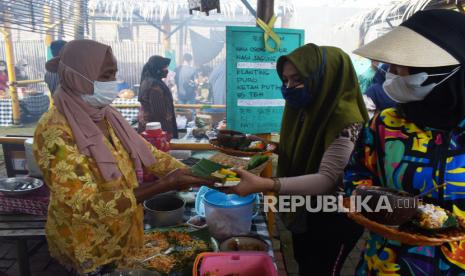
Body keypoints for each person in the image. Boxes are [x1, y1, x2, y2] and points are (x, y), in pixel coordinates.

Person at [32, 40, 211, 274]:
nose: (113, 83)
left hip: (125, 231)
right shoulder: (55, 132)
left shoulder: (106, 114)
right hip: (88, 242)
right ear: (79, 77)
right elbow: (85, 204)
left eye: (114, 74)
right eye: (106, 75)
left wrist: (194, 174)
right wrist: (165, 184)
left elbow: (149, 153)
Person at [225, 43, 368, 275]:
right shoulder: (310, 106)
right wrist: (263, 145)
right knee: (304, 261)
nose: (289, 87)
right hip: (306, 206)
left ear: (325, 77)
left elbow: (328, 178)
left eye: (297, 79)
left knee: (320, 269)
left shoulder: (345, 118)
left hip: (333, 215)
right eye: (285, 80)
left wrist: (267, 185)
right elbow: (304, 148)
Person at [345, 9, 465, 275]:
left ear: (444, 70)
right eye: (393, 65)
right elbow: (355, 177)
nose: (392, 72)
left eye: (404, 64)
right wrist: (379, 208)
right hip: (388, 264)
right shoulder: (385, 124)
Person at [138, 55, 178, 138]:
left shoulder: (148, 80)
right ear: (157, 69)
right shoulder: (154, 86)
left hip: (149, 128)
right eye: (164, 68)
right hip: (155, 132)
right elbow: (159, 114)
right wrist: (166, 132)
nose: (166, 71)